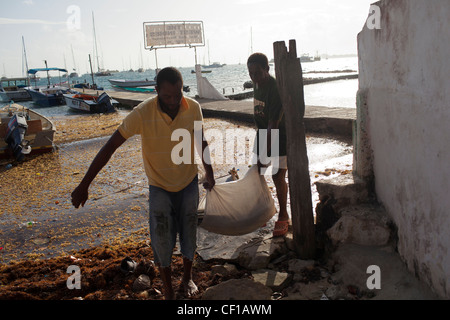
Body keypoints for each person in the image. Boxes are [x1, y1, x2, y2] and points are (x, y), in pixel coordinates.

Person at [71, 67, 215, 300]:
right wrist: (84, 184)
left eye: (177, 94)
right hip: (159, 185)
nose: (173, 101)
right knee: (161, 238)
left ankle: (187, 278)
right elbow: (110, 147)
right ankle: (168, 289)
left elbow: (201, 140)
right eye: (166, 96)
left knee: (189, 232)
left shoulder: (193, 108)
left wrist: (210, 173)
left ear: (182, 89)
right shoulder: (142, 113)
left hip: (188, 181)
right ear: (156, 90)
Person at [247, 52, 289, 237]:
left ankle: (283, 214)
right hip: (262, 133)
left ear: (267, 69)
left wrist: (265, 151)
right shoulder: (257, 84)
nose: (254, 77)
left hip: (279, 135)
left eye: (257, 72)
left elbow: (274, 123)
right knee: (257, 172)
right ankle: (264, 210)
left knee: (278, 176)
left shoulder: (274, 89)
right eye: (250, 73)